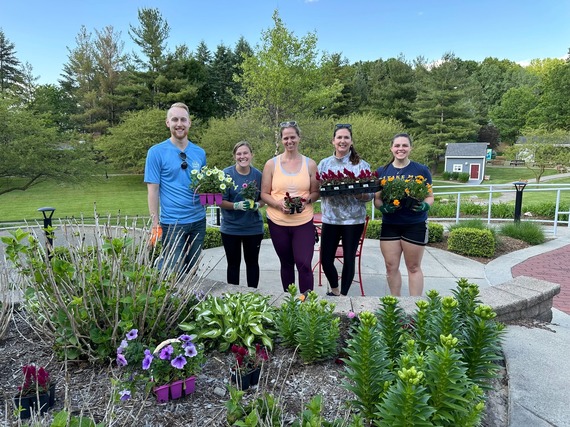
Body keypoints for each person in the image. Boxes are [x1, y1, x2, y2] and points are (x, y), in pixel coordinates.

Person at [144, 102, 206, 275]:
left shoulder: (200, 153)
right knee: (173, 272)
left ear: (189, 123)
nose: (179, 123)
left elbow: (203, 185)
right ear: (168, 123)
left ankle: (191, 301)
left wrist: (211, 194)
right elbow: (153, 190)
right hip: (172, 223)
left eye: (183, 120)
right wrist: (155, 224)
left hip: (198, 221)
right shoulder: (156, 152)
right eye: (175, 119)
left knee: (192, 270)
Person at [260, 121, 320, 294]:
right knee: (286, 263)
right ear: (281, 140)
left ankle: (307, 304)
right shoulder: (271, 164)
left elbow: (316, 192)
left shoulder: (310, 164)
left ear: (299, 138)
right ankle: (290, 303)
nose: (289, 141)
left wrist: (306, 200)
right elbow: (264, 194)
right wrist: (278, 204)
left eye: (293, 137)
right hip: (278, 222)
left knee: (304, 263)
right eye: (286, 138)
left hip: (303, 222)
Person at [374, 133, 434, 296]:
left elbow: (429, 196)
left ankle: (415, 308)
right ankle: (396, 304)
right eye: (397, 146)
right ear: (391, 148)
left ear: (410, 148)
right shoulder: (382, 171)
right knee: (390, 266)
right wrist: (383, 208)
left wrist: (424, 206)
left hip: (414, 224)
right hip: (390, 225)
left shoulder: (421, 170)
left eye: (404, 145)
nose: (401, 149)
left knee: (413, 267)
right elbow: (377, 200)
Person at [318, 124, 374, 296]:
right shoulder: (324, 164)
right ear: (333, 141)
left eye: (346, 137)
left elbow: (370, 194)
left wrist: (360, 195)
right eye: (339, 138)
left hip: (353, 220)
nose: (342, 141)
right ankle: (334, 289)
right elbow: (318, 189)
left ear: (351, 141)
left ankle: (343, 295)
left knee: (349, 258)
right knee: (325, 259)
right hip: (331, 219)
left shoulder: (361, 165)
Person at [219, 141, 265, 288]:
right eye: (239, 154)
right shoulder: (226, 174)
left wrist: (258, 204)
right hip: (231, 228)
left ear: (251, 155)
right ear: (234, 156)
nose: (242, 156)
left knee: (252, 263)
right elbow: (220, 201)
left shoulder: (258, 175)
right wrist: (236, 206)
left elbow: (264, 197)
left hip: (253, 228)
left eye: (245, 153)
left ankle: (253, 297)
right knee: (233, 264)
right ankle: (233, 299)